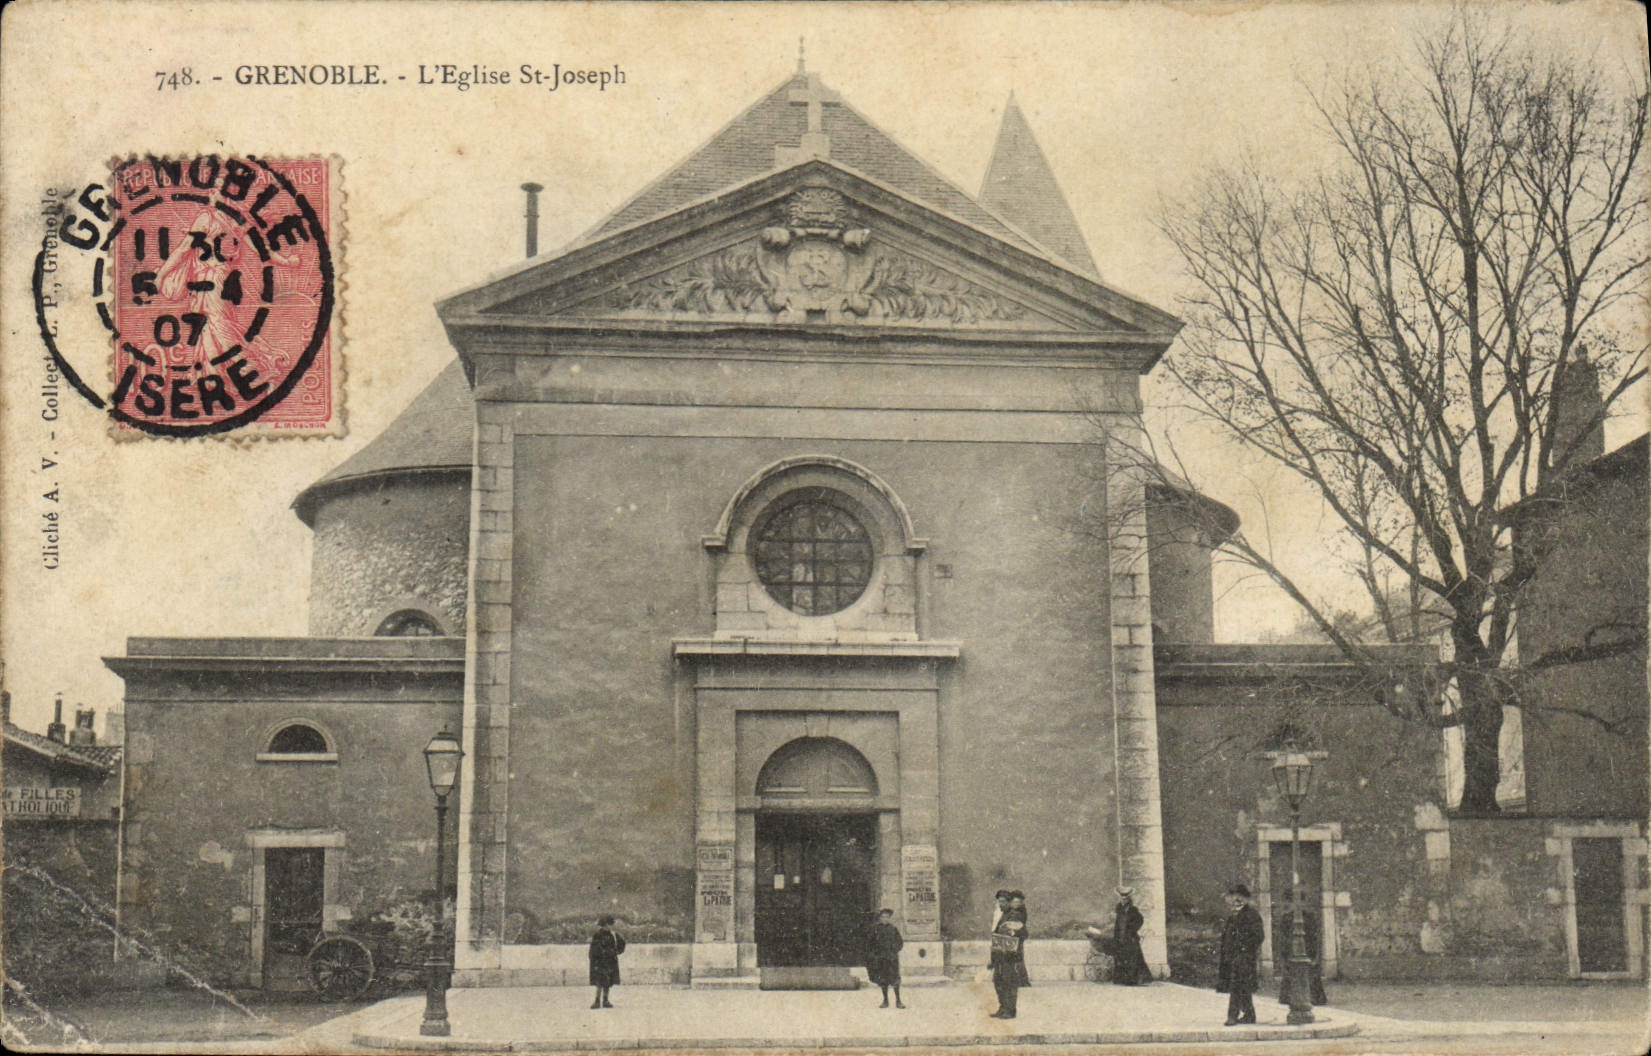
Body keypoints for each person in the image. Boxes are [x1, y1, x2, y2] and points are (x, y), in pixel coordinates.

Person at [1216, 884, 1265, 1025]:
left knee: (1236, 986)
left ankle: (1232, 1016)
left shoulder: (1252, 915)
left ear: (1245, 899)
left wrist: (1244, 949)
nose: (1236, 901)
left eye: (1240, 898)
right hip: (1232, 957)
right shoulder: (1232, 917)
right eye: (1234, 897)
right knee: (1243, 987)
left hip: (1244, 957)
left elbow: (1259, 936)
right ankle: (1250, 1015)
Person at [989, 890, 1030, 1019]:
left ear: (1009, 902)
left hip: (1010, 956)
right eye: (998, 901)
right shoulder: (1004, 915)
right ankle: (1002, 1008)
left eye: (1003, 901)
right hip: (1000, 954)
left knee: (1009, 982)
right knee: (998, 981)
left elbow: (1022, 932)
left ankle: (1010, 1010)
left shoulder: (1015, 915)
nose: (1000, 904)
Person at [1277, 906, 1328, 1006]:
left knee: (1299, 972)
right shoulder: (1307, 917)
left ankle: (1291, 997)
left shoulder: (1290, 917)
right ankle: (1313, 998)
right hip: (1302, 949)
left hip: (1299, 949)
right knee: (1303, 972)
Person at [1110, 887, 1152, 986]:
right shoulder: (1119, 908)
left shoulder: (1133, 909)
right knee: (1120, 957)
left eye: (1125, 898)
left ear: (1129, 899)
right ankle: (1121, 980)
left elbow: (1140, 920)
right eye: (1122, 898)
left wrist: (1132, 930)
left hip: (1130, 938)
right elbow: (1117, 923)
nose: (1123, 900)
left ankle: (1132, 980)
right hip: (1120, 936)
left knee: (1133, 959)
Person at [866, 908, 906, 1008]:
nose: (885, 919)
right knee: (883, 979)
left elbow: (900, 942)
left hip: (892, 958)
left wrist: (894, 950)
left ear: (889, 918)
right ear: (880, 918)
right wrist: (874, 954)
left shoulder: (893, 929)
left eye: (887, 917)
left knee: (895, 979)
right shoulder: (875, 929)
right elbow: (870, 943)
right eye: (883, 917)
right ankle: (885, 1001)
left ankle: (898, 1001)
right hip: (880, 958)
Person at [588, 915, 626, 1009]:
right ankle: (597, 1000)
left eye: (608, 925)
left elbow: (622, 944)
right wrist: (595, 959)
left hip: (609, 961)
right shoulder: (597, 935)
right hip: (600, 962)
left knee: (607, 983)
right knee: (599, 983)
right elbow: (593, 949)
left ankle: (605, 1000)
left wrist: (616, 952)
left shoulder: (613, 935)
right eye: (605, 925)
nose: (607, 927)